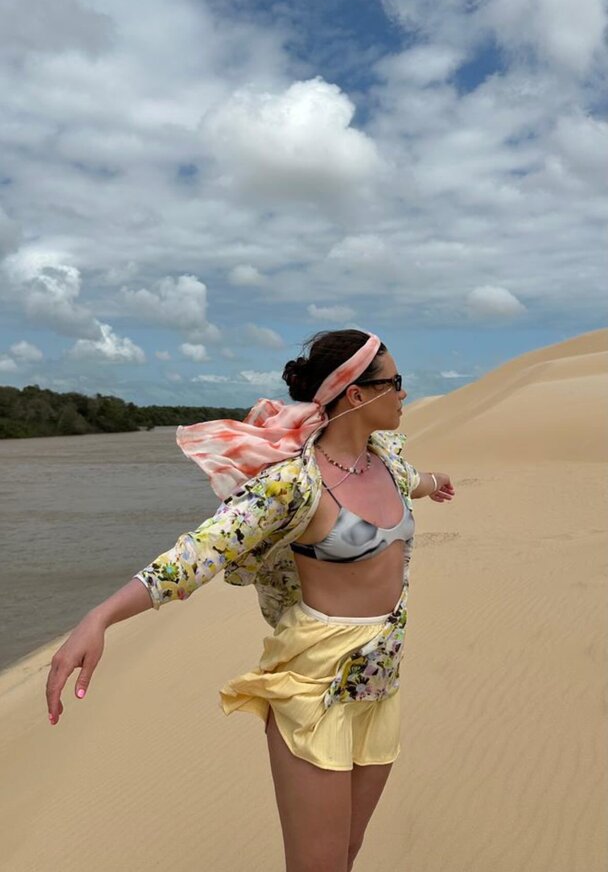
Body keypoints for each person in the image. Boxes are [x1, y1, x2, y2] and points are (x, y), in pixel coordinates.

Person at [45, 329, 455, 872]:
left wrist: (436, 482)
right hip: (313, 687)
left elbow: (415, 480)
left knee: (347, 853)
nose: (404, 393)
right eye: (395, 382)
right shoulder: (292, 484)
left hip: (379, 684)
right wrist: (99, 617)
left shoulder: (389, 463)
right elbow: (196, 554)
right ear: (357, 394)